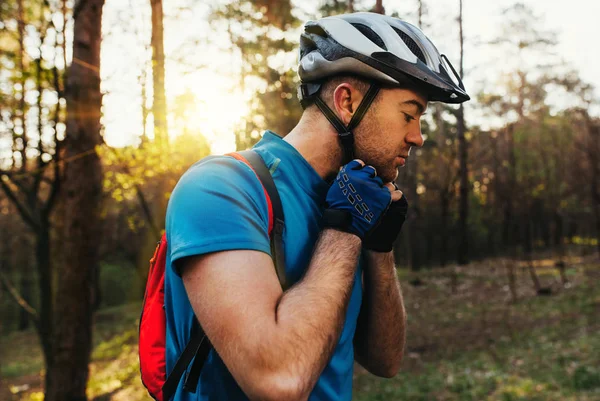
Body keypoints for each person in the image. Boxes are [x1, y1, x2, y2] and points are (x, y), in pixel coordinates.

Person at [164, 11, 469, 401]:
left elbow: (385, 360)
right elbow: (279, 380)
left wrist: (379, 246)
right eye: (409, 114)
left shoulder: (351, 194)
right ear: (346, 101)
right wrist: (343, 228)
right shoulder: (221, 188)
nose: (418, 137)